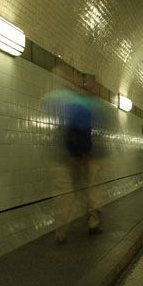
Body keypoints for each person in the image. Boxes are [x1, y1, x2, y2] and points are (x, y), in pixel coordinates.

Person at [55, 92, 103, 244]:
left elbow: (68, 134)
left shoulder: (70, 111)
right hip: (81, 159)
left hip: (72, 157)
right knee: (90, 192)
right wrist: (84, 153)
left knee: (74, 192)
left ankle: (62, 231)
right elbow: (83, 133)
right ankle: (92, 224)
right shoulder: (83, 110)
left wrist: (71, 153)